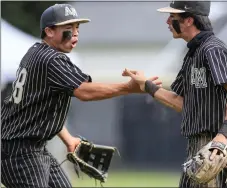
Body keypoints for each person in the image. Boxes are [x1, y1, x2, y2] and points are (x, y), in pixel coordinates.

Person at [0, 3, 162, 188]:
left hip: (28, 147)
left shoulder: (35, 52)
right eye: (68, 28)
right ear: (49, 31)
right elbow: (84, 91)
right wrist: (128, 88)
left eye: (77, 28)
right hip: (19, 151)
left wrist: (68, 139)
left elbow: (41, 108)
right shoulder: (51, 60)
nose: (75, 33)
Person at [123, 1, 227, 188]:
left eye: (173, 17)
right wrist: (146, 86)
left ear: (189, 20)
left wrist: (222, 136)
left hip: (214, 145)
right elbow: (182, 103)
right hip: (198, 145)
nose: (167, 21)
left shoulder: (213, 49)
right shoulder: (193, 53)